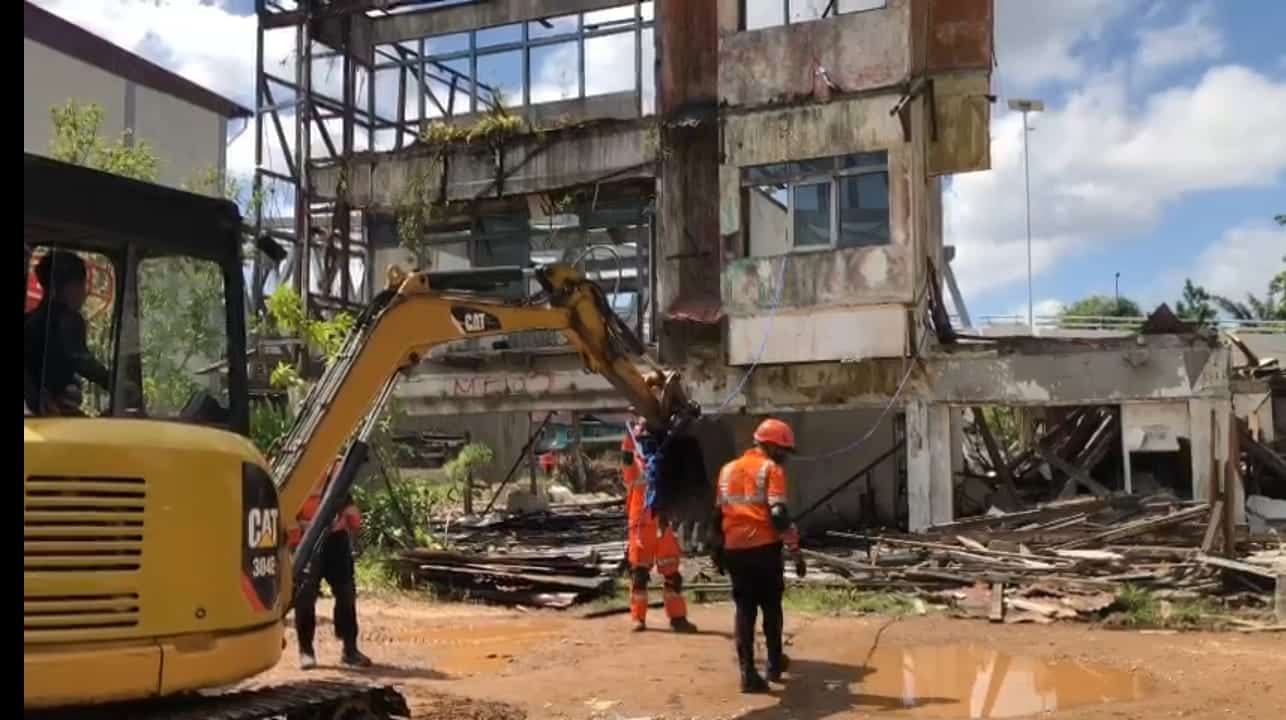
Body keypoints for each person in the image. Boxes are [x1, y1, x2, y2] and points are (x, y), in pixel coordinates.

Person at [709, 418, 806, 693]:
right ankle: (774, 664)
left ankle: (747, 673)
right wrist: (795, 551)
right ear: (772, 446)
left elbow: (717, 516)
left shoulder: (727, 470)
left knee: (744, 610)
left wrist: (717, 551)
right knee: (771, 607)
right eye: (784, 450)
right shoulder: (770, 469)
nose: (785, 457)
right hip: (763, 550)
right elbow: (778, 515)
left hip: (734, 550)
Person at [288, 459, 372, 669]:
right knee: (305, 597)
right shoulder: (297, 472)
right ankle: (306, 651)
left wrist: (348, 518)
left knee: (346, 593)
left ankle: (350, 650)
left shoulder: (337, 469)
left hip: (336, 542)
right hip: (306, 543)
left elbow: (350, 509)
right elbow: (287, 513)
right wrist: (302, 530)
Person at [622, 416, 698, 634]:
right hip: (641, 526)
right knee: (639, 575)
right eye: (643, 439)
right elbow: (626, 458)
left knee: (672, 575)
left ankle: (677, 618)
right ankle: (638, 618)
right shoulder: (634, 465)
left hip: (664, 525)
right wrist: (630, 435)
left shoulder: (665, 462)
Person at [24, 251, 111, 415]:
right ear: (68, 287)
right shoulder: (68, 320)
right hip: (51, 410)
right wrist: (116, 383)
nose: (84, 294)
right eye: (81, 285)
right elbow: (83, 362)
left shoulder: (29, 320)